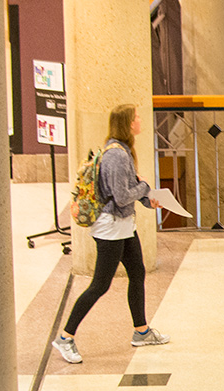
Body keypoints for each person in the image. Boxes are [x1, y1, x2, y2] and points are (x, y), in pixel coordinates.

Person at [53, 104, 168, 364]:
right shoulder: (117, 155)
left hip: (124, 225)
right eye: (137, 117)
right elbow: (122, 195)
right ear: (127, 123)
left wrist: (147, 199)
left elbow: (127, 192)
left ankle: (141, 331)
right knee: (100, 285)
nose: (140, 120)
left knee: (137, 272)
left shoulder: (123, 151)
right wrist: (145, 187)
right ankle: (65, 337)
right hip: (110, 228)